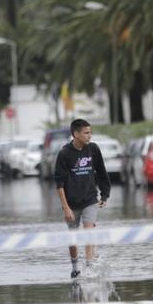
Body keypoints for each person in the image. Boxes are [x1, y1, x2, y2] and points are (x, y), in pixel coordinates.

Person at [54, 118, 110, 278]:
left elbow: (101, 172)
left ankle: (90, 266)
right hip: (71, 203)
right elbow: (59, 183)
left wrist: (105, 194)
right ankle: (75, 267)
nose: (89, 136)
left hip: (90, 200)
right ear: (76, 134)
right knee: (73, 238)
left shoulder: (93, 149)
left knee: (88, 231)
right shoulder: (64, 153)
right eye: (86, 133)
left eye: (90, 132)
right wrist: (65, 207)